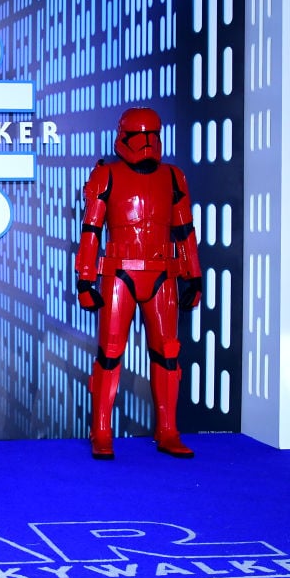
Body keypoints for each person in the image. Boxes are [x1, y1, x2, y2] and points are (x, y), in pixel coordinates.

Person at [75, 107, 202, 460]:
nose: (146, 144)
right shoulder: (107, 174)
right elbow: (91, 230)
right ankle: (101, 429)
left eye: (152, 136)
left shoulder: (174, 177)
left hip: (163, 274)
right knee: (110, 354)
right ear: (123, 137)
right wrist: (85, 279)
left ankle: (168, 429)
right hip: (119, 274)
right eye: (138, 136)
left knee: (167, 354)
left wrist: (194, 275)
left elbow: (184, 231)